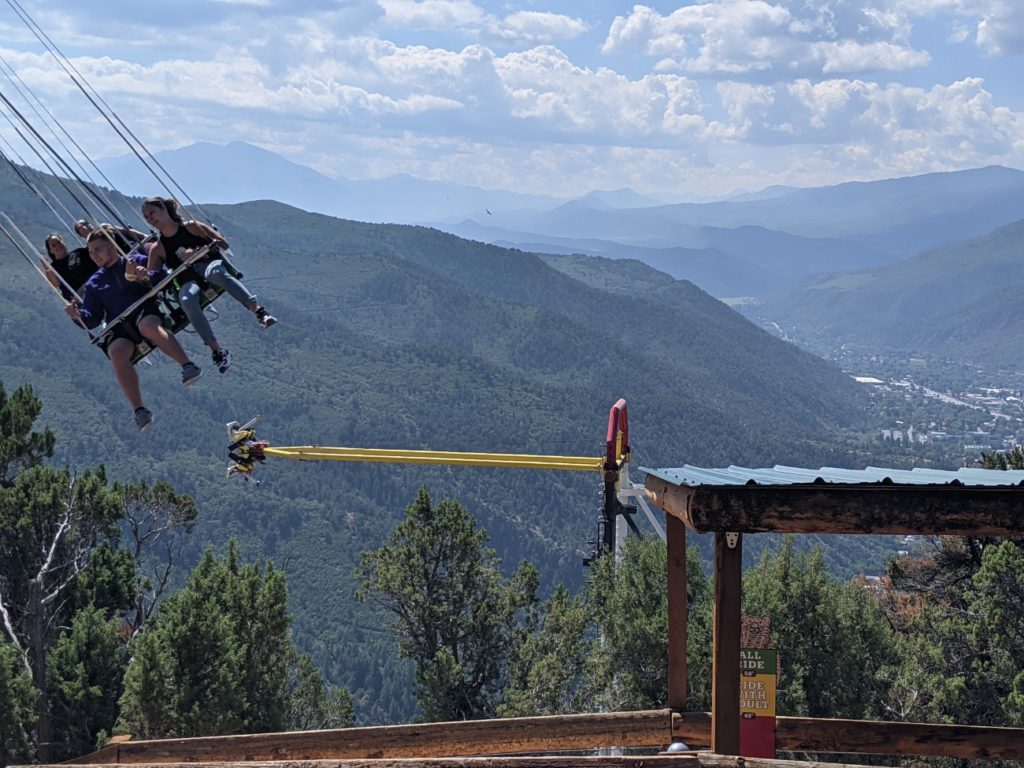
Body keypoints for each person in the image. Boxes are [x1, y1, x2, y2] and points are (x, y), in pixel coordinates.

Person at [65, 229, 202, 432]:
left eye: (98, 250)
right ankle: (139, 410)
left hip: (144, 309)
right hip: (119, 324)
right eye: (91, 253)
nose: (95, 256)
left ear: (111, 246)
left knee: (147, 326)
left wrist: (143, 275)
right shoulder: (93, 284)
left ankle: (187, 365)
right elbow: (92, 319)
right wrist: (77, 316)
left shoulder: (133, 260)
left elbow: (160, 277)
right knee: (116, 352)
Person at [141, 196, 277, 375]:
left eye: (152, 213)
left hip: (207, 264)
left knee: (217, 274)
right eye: (146, 217)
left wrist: (197, 252)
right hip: (187, 279)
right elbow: (151, 278)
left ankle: (259, 312)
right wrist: (141, 275)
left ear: (164, 210)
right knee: (187, 300)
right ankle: (217, 351)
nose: (151, 219)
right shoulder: (158, 249)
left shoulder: (191, 227)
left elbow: (222, 243)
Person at [43, 233, 98, 300]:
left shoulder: (80, 252)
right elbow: (55, 284)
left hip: (96, 285)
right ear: (50, 251)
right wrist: (46, 267)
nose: (58, 246)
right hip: (80, 298)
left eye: (59, 242)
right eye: (54, 245)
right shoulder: (54, 268)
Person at [74, 218, 148, 254]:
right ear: (81, 235)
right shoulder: (90, 249)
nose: (84, 227)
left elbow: (126, 231)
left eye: (85, 224)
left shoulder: (104, 227)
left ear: (90, 224)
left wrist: (144, 236)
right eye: (80, 228)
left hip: (134, 247)